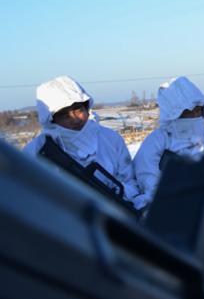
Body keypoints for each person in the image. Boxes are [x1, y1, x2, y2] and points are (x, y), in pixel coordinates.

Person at [24, 75, 148, 210]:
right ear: (51, 120)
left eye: (79, 110)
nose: (76, 119)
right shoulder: (35, 151)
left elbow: (130, 181)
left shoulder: (110, 138)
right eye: (65, 116)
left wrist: (119, 196)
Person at [133, 76, 204, 198]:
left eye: (198, 110)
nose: (195, 115)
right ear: (173, 113)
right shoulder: (157, 141)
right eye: (188, 112)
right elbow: (148, 180)